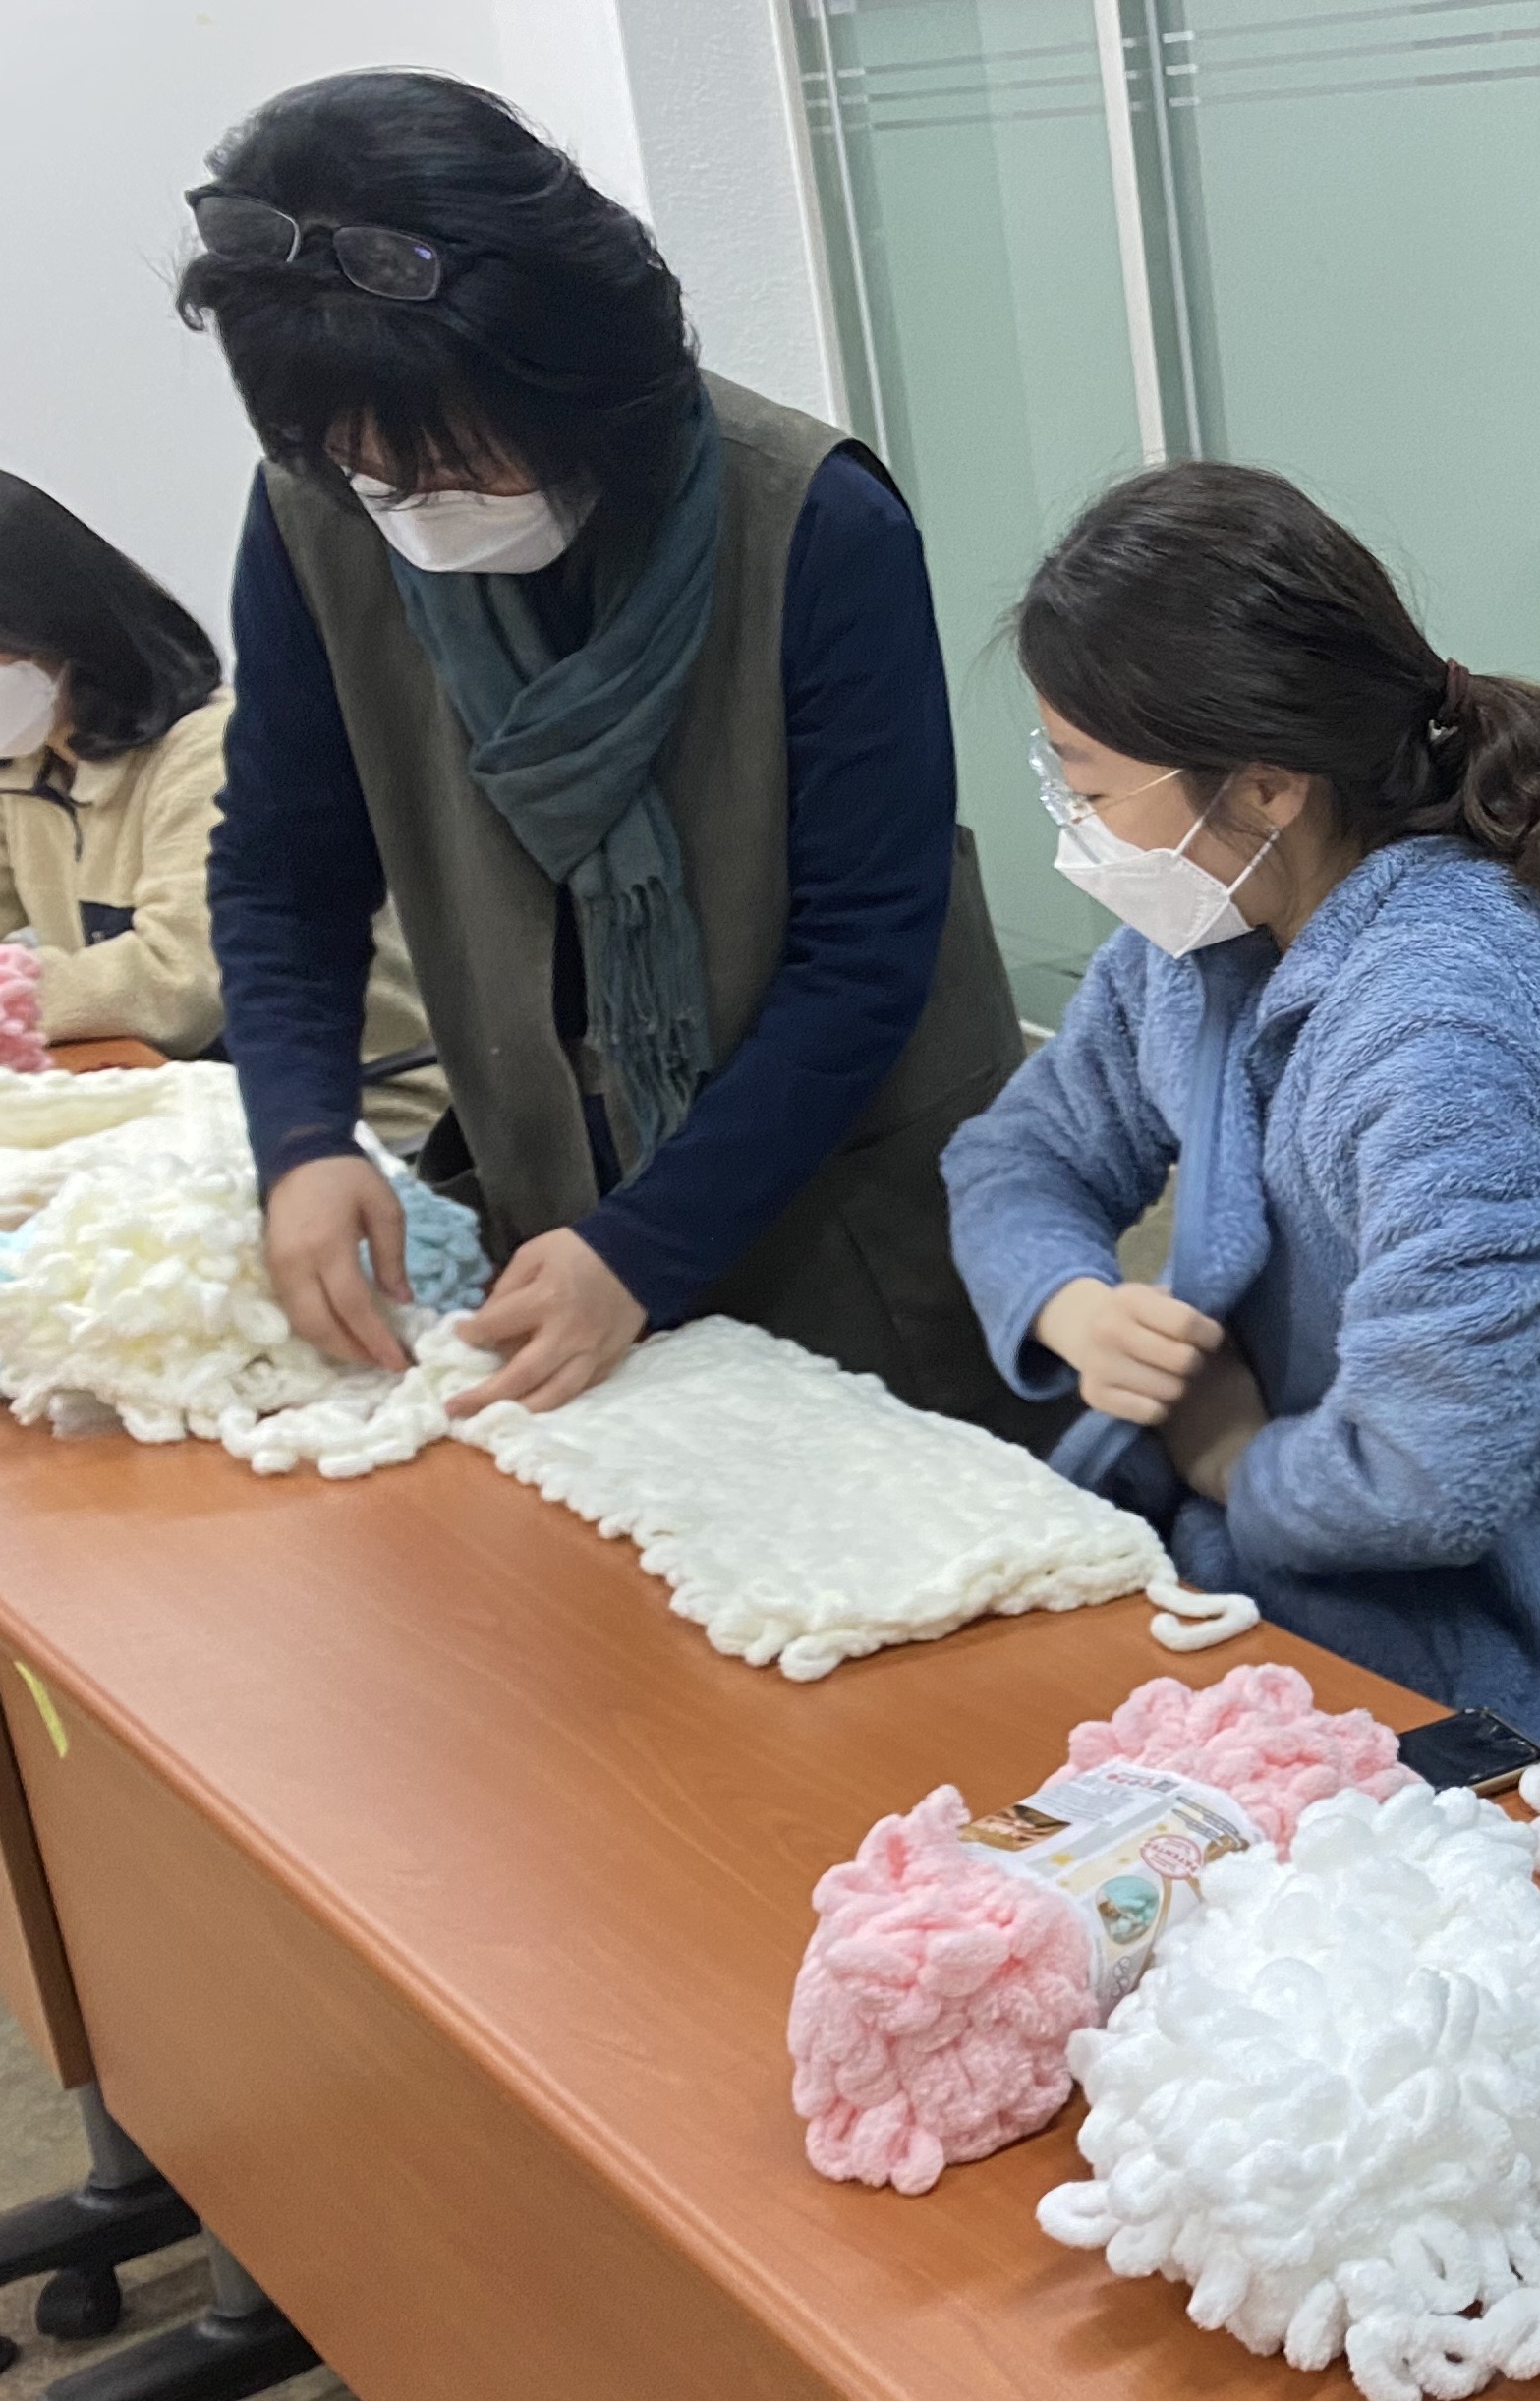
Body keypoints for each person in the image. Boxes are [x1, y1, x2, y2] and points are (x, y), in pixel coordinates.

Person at [179, 72, 1030, 1423]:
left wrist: (644, 1245)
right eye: (373, 472)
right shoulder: (316, 518)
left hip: (833, 1167)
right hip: (550, 1162)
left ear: (572, 385)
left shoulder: (809, 519)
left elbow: (870, 944)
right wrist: (300, 1138)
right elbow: (286, 869)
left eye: (462, 461)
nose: (421, 505)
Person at [942, 462, 1540, 1743]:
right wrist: (1074, 1305)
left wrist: (1230, 1456)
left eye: (1095, 789)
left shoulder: (1437, 1027)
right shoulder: (1207, 932)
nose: (1079, 827)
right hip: (1249, 1574)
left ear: (1266, 785)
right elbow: (1017, 1159)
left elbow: (1432, 1475)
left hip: (1469, 1662)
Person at [0, 461, 433, 1122]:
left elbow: (180, 982)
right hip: (185, 1102)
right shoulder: (22, 770)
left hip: (351, 1115)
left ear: (51, 626)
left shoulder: (210, 753)